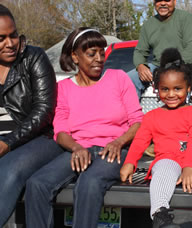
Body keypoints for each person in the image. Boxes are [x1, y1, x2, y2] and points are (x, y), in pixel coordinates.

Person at [24, 27, 143, 228]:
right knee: (37, 184)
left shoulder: (118, 78)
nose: (99, 58)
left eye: (101, 52)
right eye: (91, 54)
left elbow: (138, 121)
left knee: (89, 183)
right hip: (79, 150)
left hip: (114, 150)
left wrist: (119, 142)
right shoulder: (64, 88)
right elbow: (60, 131)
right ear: (75, 57)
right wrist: (77, 148)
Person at [120, 48, 192, 228]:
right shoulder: (151, 117)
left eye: (177, 89)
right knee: (161, 173)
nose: (171, 94)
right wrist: (130, 162)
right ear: (157, 89)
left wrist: (188, 167)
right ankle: (160, 215)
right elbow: (140, 141)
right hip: (167, 158)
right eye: (165, 89)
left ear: (188, 88)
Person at [0, 4, 63, 226]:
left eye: (13, 35)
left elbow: (44, 112)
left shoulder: (33, 57)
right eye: (1, 38)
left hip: (40, 138)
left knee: (9, 170)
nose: (10, 44)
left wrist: (7, 143)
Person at [126, 0, 192, 99]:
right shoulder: (148, 25)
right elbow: (140, 51)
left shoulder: (186, 18)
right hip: (158, 66)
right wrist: (140, 66)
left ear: (174, 1)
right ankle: (133, 113)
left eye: (167, 0)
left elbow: (191, 52)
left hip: (186, 64)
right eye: (158, 0)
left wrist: (169, 69)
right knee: (128, 79)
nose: (162, 3)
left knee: (175, 79)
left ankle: (180, 111)